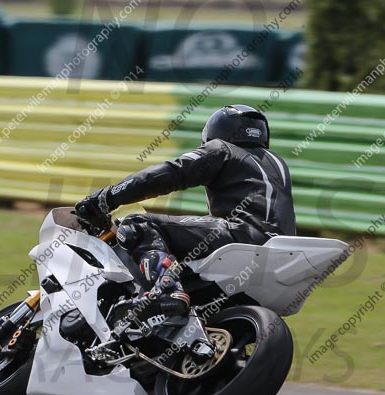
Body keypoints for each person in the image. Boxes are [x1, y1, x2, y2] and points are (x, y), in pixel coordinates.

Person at [74, 104, 295, 324]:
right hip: (281, 247)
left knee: (137, 223)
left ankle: (167, 290)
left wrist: (107, 196)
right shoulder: (277, 163)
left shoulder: (222, 149)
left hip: (243, 235)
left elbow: (170, 173)